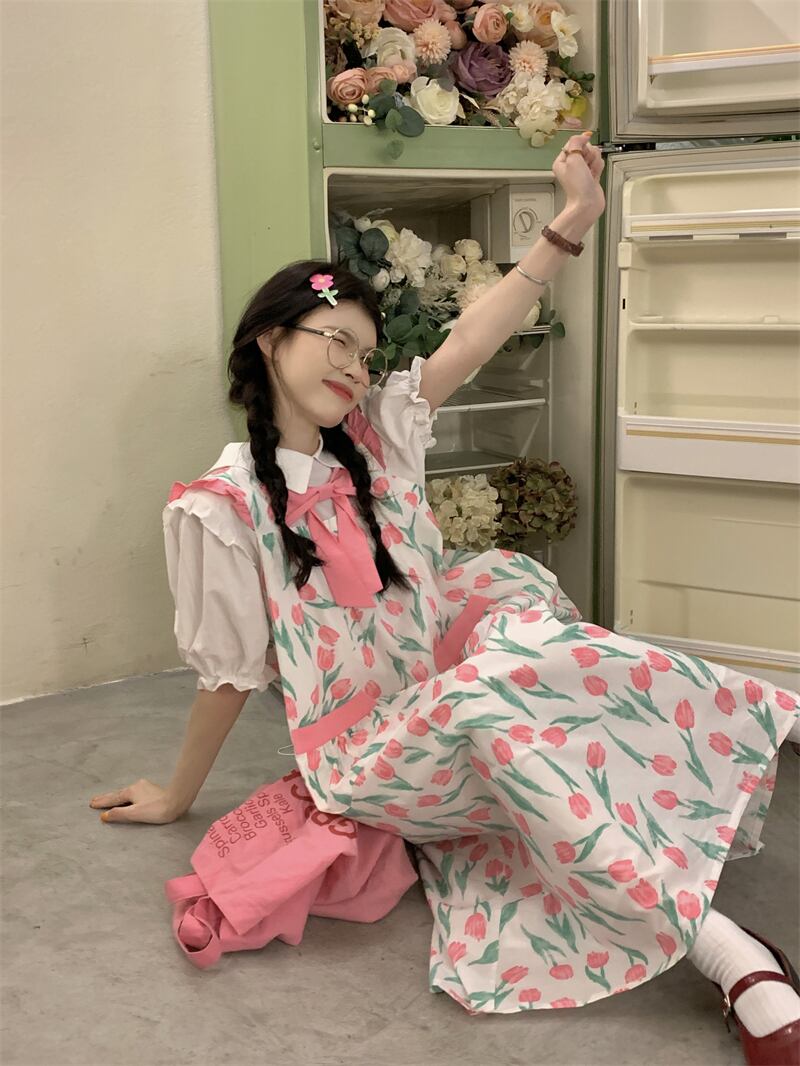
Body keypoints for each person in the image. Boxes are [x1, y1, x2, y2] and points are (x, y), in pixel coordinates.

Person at [90, 132, 800, 1062]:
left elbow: (472, 334)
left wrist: (573, 220)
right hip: (363, 745)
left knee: (507, 596)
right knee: (491, 698)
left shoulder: (378, 435)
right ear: (269, 340)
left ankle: (699, 753)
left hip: (438, 666)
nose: (354, 367)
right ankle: (730, 954)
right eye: (335, 341)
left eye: (365, 352)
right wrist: (178, 794)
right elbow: (227, 675)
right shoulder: (223, 509)